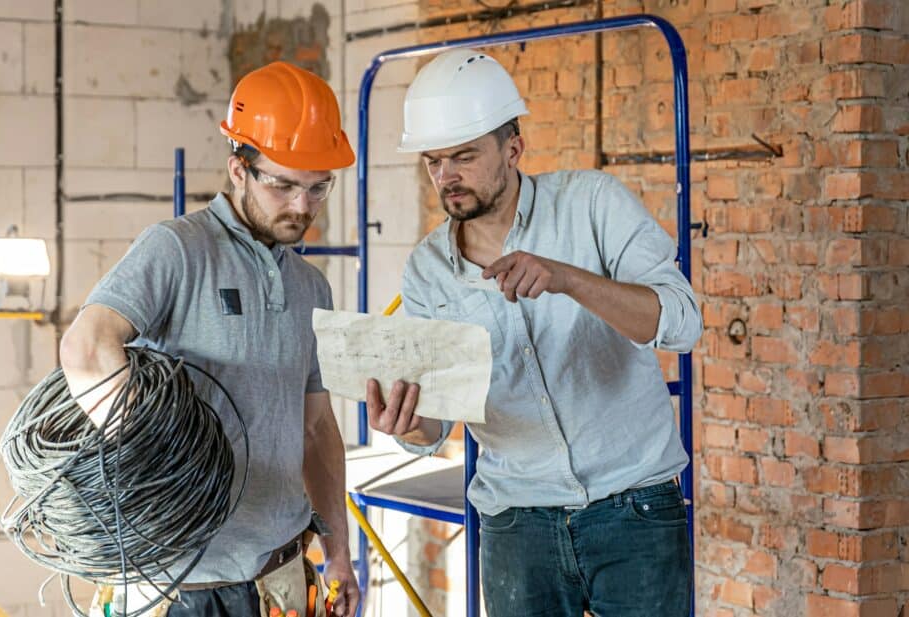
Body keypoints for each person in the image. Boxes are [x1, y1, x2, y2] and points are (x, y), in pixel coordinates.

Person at [366, 49, 702, 617]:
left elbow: (682, 323)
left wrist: (570, 280)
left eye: (464, 156)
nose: (446, 177)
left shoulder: (592, 204)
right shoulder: (426, 270)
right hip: (518, 525)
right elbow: (436, 420)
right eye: (433, 161)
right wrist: (411, 424)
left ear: (513, 148)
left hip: (635, 510)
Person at [60, 61, 359, 617]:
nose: (302, 206)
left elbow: (317, 430)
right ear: (238, 169)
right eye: (284, 184)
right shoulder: (177, 249)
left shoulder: (312, 288)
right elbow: (87, 348)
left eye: (319, 188)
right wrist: (161, 460)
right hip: (178, 582)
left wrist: (339, 550)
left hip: (279, 576)